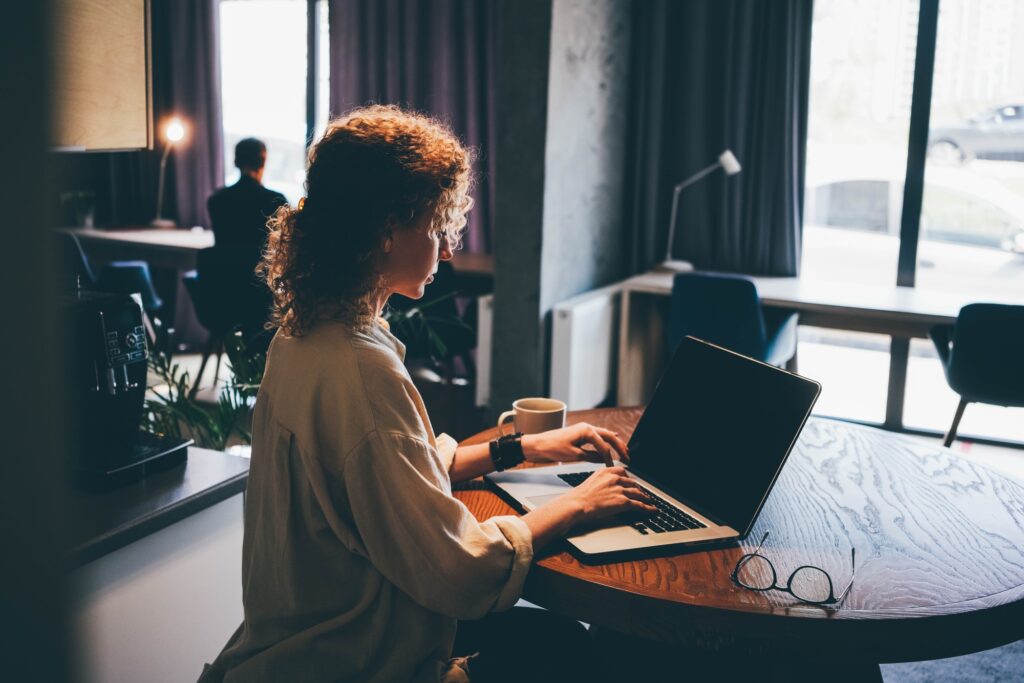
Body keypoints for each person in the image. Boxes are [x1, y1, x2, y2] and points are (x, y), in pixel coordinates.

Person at [198, 105, 656, 683]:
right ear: (388, 228)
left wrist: (524, 448)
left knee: (552, 640)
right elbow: (460, 570)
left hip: (296, 647)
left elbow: (390, 473)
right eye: (438, 228)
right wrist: (579, 504)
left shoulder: (305, 338)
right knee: (575, 653)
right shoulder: (362, 372)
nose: (447, 250)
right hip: (357, 664)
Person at [207, 137, 288, 253]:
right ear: (263, 162)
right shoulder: (276, 200)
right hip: (261, 270)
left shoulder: (216, 199)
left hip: (226, 268)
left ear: (236, 162)